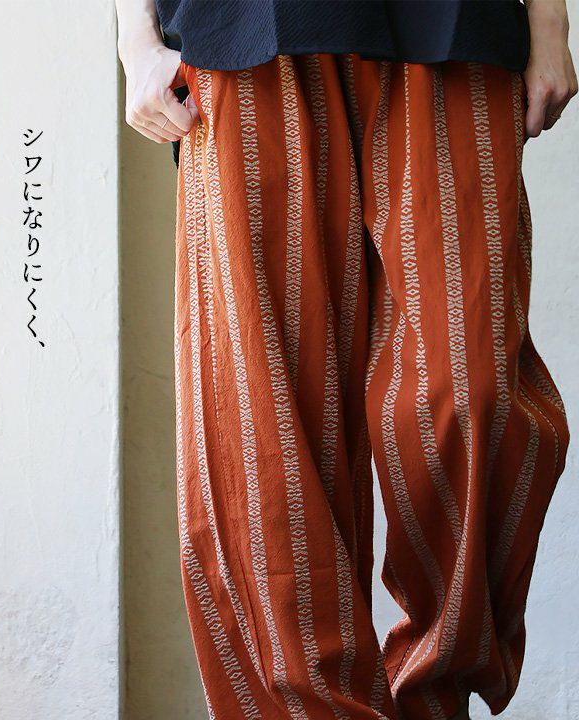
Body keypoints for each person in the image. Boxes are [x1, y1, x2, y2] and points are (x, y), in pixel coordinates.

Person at [115, 1, 577, 719]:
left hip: (452, 22)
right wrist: (135, 40)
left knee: (468, 386)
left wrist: (550, 22)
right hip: (239, 28)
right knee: (261, 425)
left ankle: (435, 695)